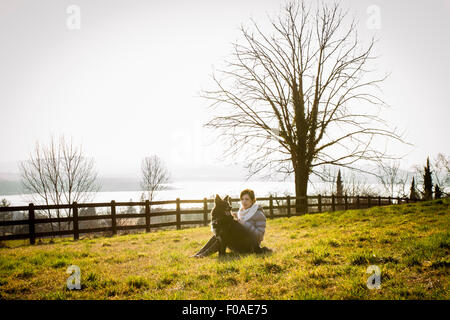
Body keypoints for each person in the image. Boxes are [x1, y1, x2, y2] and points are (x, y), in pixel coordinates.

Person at [192, 189, 271, 257]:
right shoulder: (242, 212)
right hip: (238, 241)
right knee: (217, 236)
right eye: (242, 199)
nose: (244, 201)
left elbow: (259, 235)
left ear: (253, 200)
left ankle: (203, 255)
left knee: (223, 236)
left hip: (250, 245)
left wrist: (243, 223)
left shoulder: (258, 214)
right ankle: (199, 253)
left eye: (247, 199)